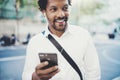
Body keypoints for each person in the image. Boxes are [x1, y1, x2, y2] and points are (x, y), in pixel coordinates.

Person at [22, 0, 101, 80]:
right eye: (54, 9)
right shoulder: (35, 42)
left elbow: (93, 73)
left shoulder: (83, 35)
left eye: (65, 8)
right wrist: (34, 77)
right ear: (43, 12)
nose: (61, 15)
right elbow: (26, 75)